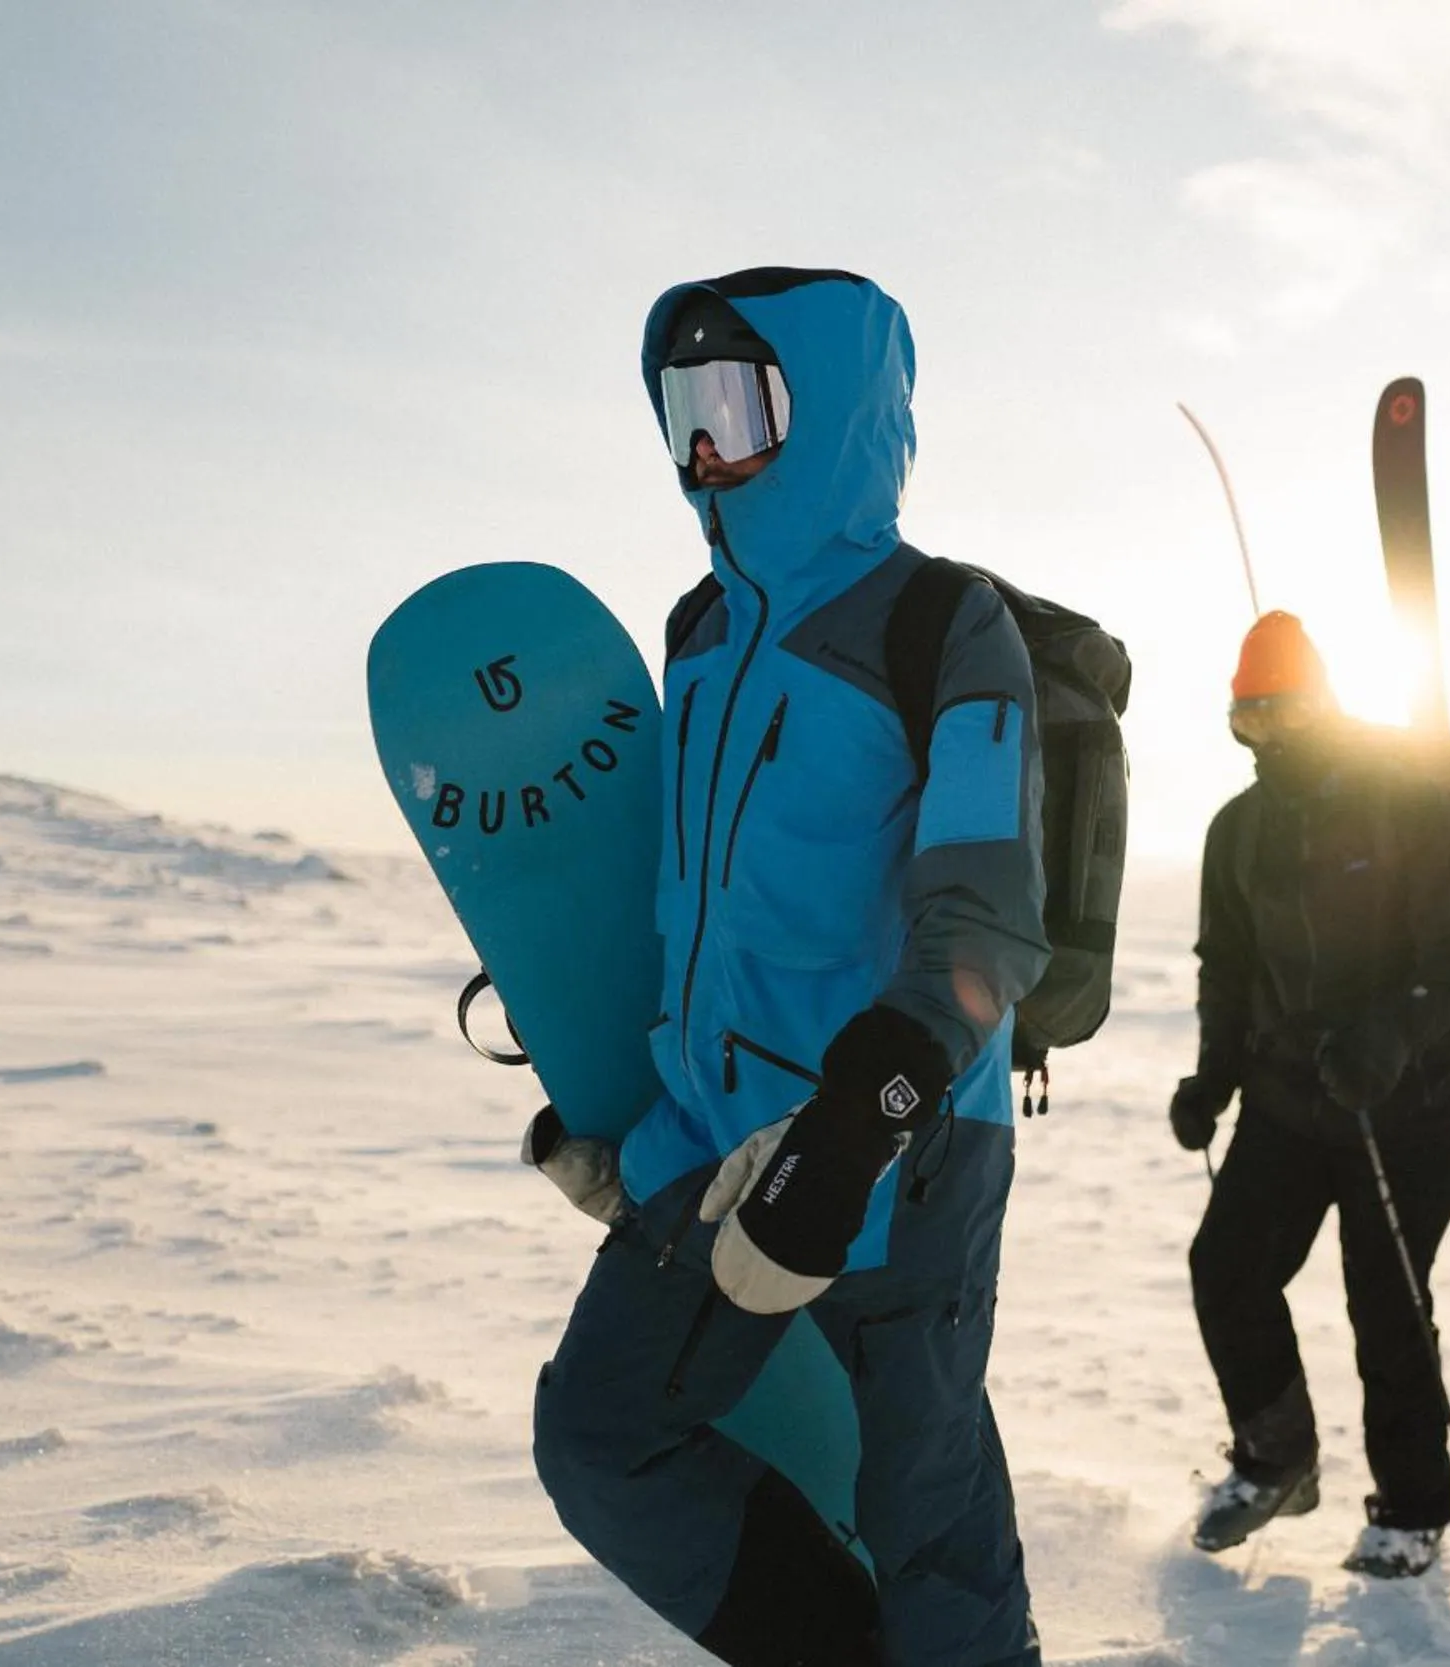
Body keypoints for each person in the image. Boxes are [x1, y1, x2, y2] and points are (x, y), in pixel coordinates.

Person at [522, 269, 1050, 1667]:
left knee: (925, 1506)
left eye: (740, 404)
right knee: (600, 1435)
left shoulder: (943, 623)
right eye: (681, 409)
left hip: (909, 1142)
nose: (705, 448)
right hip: (715, 1135)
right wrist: (632, 1126)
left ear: (834, 409)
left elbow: (985, 919)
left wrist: (852, 1134)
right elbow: (693, 909)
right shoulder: (697, 633)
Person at [1171, 611, 1450, 1580]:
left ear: (1320, 703)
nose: (1266, 735)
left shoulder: (1403, 801)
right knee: (1224, 1266)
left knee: (1387, 1306)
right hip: (1285, 1103)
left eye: (1280, 712)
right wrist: (1211, 1078)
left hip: (1403, 1108)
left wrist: (1390, 1035)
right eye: (1248, 719)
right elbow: (1224, 970)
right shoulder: (1235, 832)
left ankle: (1412, 1507)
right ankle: (1277, 1456)